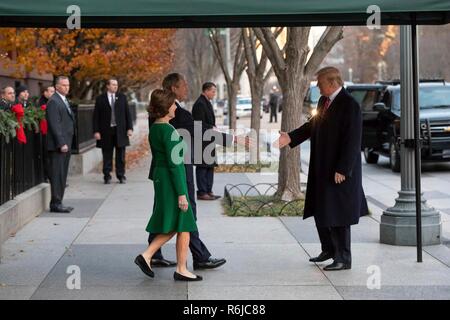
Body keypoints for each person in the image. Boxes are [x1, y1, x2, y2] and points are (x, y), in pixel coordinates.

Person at [148, 73, 250, 270]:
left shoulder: (161, 112)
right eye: (183, 85)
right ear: (173, 89)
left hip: (162, 171)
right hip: (178, 169)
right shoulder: (174, 112)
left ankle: (154, 253)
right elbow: (201, 131)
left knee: (162, 212)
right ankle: (199, 256)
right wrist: (233, 140)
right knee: (187, 212)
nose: (187, 88)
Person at [275, 66, 369, 271]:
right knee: (322, 210)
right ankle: (328, 249)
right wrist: (290, 137)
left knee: (338, 214)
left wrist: (343, 169)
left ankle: (343, 258)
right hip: (322, 168)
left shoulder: (349, 105)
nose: (317, 86)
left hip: (339, 171)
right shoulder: (323, 102)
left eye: (320, 83)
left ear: (332, 82)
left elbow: (352, 141)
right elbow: (312, 125)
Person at [134, 89, 202, 281]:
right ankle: (149, 255)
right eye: (172, 104)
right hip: (172, 182)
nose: (175, 107)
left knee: (182, 224)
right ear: (166, 108)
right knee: (183, 222)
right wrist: (182, 193)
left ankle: (180, 267)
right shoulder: (169, 130)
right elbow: (175, 165)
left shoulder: (155, 128)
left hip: (162, 179)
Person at [93, 78, 133, 184]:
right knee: (107, 154)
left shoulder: (122, 98)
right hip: (106, 131)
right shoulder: (100, 99)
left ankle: (121, 175)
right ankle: (107, 175)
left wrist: (129, 128)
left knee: (121, 155)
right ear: (107, 86)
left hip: (120, 130)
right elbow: (96, 116)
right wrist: (96, 131)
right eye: (113, 84)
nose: (115, 86)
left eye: (116, 85)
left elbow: (127, 114)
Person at [46, 76, 75, 213]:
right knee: (57, 174)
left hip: (66, 144)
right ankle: (56, 204)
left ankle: (59, 202)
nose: (67, 87)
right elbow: (54, 124)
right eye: (64, 85)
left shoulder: (63, 100)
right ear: (57, 86)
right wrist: (61, 143)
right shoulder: (54, 101)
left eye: (68, 85)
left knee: (62, 174)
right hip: (59, 146)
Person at [191, 82, 221, 200]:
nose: (214, 94)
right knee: (203, 167)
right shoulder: (199, 104)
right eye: (213, 91)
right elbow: (198, 124)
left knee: (210, 166)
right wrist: (211, 127)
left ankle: (209, 190)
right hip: (202, 140)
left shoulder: (206, 102)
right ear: (206, 91)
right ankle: (202, 192)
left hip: (209, 138)